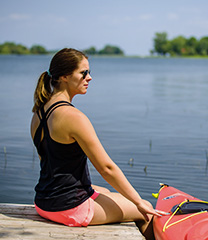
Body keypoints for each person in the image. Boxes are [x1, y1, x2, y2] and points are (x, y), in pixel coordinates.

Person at [30, 48, 159, 239]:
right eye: (84, 73)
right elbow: (107, 168)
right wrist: (138, 201)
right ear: (65, 76)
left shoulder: (38, 113)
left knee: (104, 190)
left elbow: (50, 164)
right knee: (146, 211)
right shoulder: (73, 117)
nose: (89, 78)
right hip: (68, 208)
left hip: (43, 202)